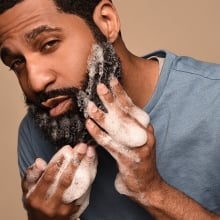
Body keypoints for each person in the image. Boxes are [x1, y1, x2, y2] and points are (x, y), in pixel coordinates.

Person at [0, 0, 220, 219]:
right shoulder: (36, 132)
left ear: (107, 22)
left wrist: (152, 192)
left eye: (49, 44)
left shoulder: (214, 100)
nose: (36, 82)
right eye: (17, 63)